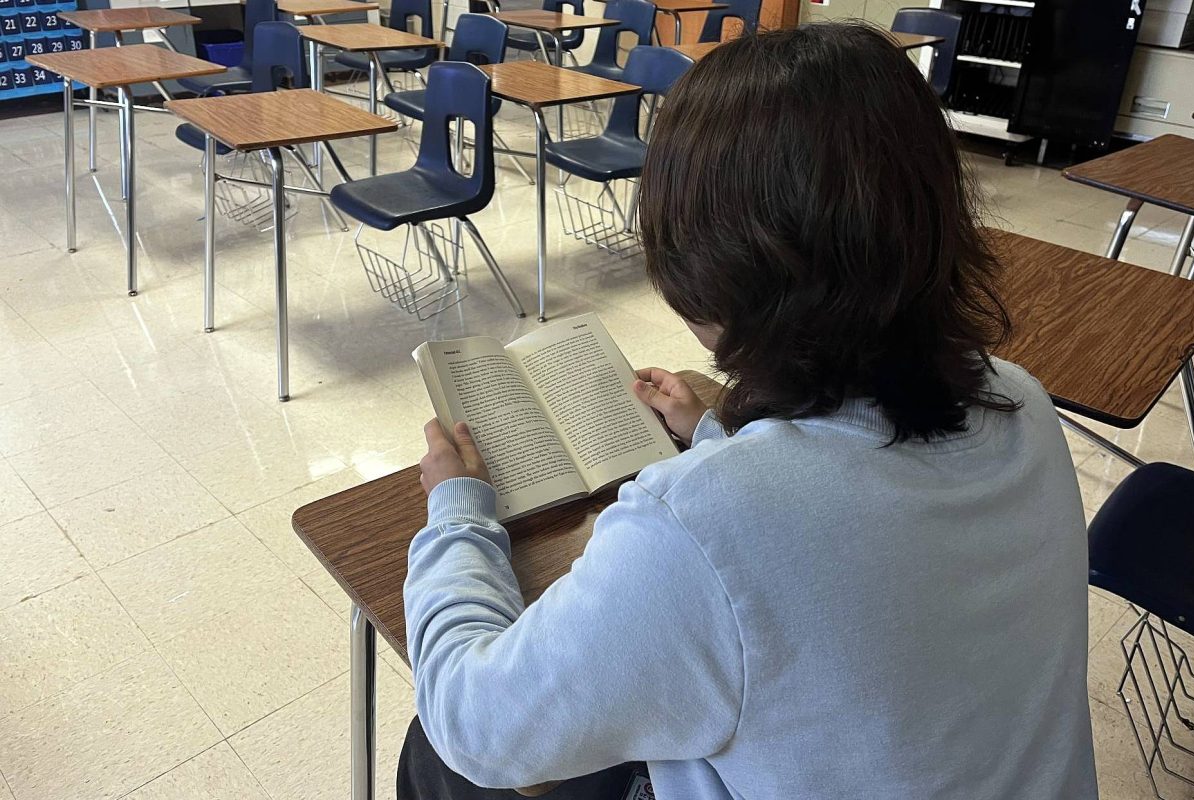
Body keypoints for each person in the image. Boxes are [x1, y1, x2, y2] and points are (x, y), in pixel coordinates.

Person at [400, 23, 1097, 800]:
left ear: (712, 265)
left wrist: (456, 514)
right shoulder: (1022, 401)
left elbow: (481, 730)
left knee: (437, 753)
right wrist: (723, 430)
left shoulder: (700, 521)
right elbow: (863, 555)